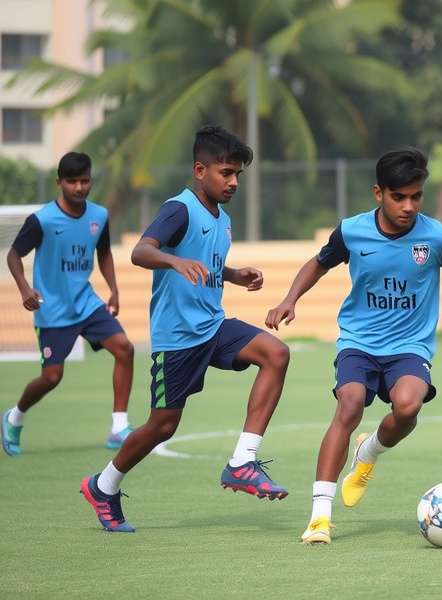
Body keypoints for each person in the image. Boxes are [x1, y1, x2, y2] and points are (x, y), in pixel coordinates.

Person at [265, 147, 442, 545]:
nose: (408, 206)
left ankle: (368, 453)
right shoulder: (352, 231)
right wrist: (290, 298)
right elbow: (318, 262)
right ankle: (320, 517)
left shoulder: (436, 236)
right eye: (398, 196)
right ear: (378, 193)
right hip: (359, 341)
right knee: (350, 403)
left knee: (408, 407)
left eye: (416, 196)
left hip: (410, 346)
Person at [80, 126, 290, 533]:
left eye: (237, 176)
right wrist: (173, 262)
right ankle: (102, 486)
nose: (233, 182)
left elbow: (201, 261)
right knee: (162, 425)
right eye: (225, 173)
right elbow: (142, 250)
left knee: (276, 354)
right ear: (200, 169)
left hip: (212, 326)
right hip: (177, 339)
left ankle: (242, 463)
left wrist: (231, 274)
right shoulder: (179, 209)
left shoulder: (222, 219)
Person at [2, 152, 134, 456]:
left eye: (84, 180)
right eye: (72, 181)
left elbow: (104, 254)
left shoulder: (98, 216)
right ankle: (14, 417)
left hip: (86, 302)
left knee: (124, 348)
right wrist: (24, 288)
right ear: (59, 182)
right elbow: (13, 255)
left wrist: (113, 289)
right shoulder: (42, 220)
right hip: (52, 309)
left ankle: (119, 427)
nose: (79, 187)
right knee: (52, 377)